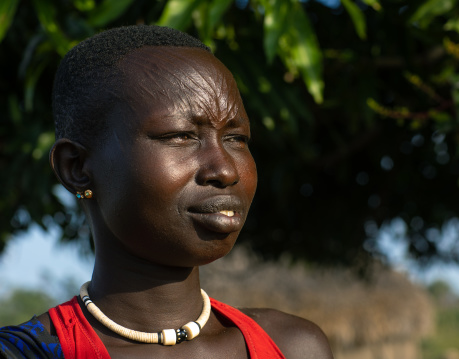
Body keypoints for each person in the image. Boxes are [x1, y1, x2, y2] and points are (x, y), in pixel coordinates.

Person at [0, 25, 333, 358]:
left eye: (236, 139)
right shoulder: (26, 353)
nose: (226, 171)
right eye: (181, 136)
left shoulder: (291, 346)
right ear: (77, 167)